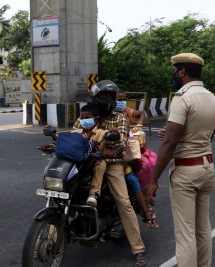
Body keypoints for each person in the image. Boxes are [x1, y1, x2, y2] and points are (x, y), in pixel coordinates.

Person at [146, 53, 215, 267]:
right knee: (203, 228)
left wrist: (153, 180)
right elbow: (206, 134)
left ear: (182, 71)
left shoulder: (182, 97)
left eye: (175, 70)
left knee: (185, 234)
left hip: (186, 173)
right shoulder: (210, 97)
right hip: (207, 168)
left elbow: (169, 144)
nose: (173, 74)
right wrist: (171, 135)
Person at [74, 80, 147, 267]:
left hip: (112, 163)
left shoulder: (120, 118)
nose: (107, 99)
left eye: (110, 96)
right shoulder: (87, 114)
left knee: (123, 202)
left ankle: (138, 250)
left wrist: (114, 151)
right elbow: (75, 134)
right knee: (65, 192)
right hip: (87, 162)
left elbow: (122, 141)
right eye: (103, 96)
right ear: (95, 98)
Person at [115, 88, 158, 229]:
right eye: (118, 99)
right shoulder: (101, 114)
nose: (121, 102)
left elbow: (141, 114)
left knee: (137, 173)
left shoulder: (125, 112)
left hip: (121, 152)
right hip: (104, 154)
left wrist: (138, 126)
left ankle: (145, 209)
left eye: (123, 99)